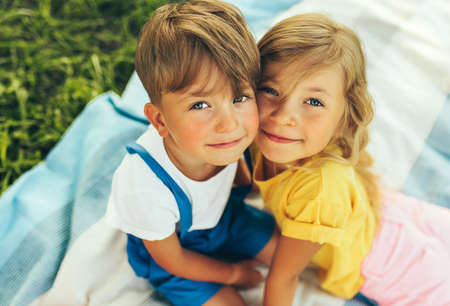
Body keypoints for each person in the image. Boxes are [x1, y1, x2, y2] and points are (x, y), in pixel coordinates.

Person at [252, 13, 450, 306]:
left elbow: (283, 278)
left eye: (314, 102)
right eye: (270, 90)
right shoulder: (267, 138)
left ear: (344, 115)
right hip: (386, 213)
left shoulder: (319, 189)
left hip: (393, 267)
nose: (283, 117)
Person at [103, 1, 279, 305]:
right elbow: (174, 261)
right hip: (176, 257)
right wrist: (234, 273)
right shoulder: (143, 186)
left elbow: (238, 178)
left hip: (224, 221)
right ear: (159, 120)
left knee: (285, 255)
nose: (229, 124)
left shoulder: (225, 138)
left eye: (239, 97)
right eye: (200, 105)